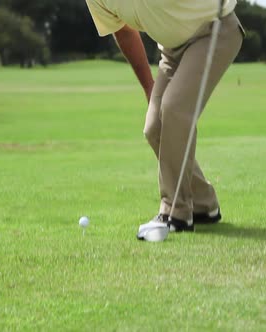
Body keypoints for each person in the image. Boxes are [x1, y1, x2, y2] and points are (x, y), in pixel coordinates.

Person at [85, 0, 244, 232]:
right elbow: (124, 32)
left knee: (175, 110)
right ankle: (203, 204)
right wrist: (148, 87)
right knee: (155, 127)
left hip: (214, 30)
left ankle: (174, 212)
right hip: (172, 49)